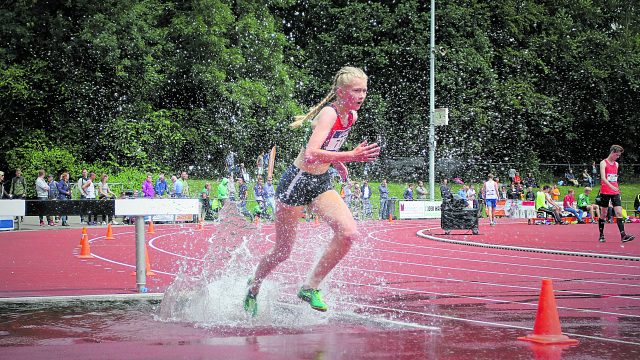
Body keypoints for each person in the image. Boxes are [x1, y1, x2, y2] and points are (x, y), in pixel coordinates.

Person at [244, 66, 379, 316]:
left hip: (320, 182)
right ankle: (253, 287)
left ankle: (310, 287)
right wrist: (349, 156)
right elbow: (310, 152)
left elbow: (327, 146)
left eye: (365, 91)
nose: (362, 96)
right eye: (357, 90)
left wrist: (336, 162)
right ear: (341, 92)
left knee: (348, 233)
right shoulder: (329, 113)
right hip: (296, 182)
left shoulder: (352, 117)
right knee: (283, 251)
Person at [597, 145, 634, 243]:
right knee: (604, 213)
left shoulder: (616, 164)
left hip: (615, 192)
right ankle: (601, 234)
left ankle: (623, 235)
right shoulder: (603, 163)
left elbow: (614, 177)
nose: (618, 157)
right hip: (605, 191)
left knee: (619, 212)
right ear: (612, 152)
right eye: (617, 155)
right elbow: (603, 178)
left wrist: (616, 187)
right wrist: (611, 186)